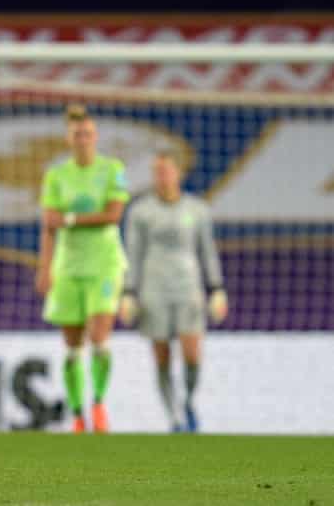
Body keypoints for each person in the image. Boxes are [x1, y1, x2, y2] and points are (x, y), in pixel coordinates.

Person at [36, 105, 129, 434]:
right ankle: (77, 414)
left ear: (96, 136)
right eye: (77, 134)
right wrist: (45, 268)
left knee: (100, 337)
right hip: (68, 267)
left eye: (88, 134)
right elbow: (49, 224)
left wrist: (70, 219)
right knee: (72, 346)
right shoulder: (57, 175)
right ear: (68, 138)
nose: (83, 139)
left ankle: (99, 403)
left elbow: (113, 214)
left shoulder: (112, 169)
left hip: (104, 264)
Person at [119, 151, 228, 433]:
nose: (162, 177)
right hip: (153, 290)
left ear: (178, 173)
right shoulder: (141, 211)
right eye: (157, 172)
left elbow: (207, 251)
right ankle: (175, 417)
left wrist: (216, 288)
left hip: (188, 288)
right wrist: (129, 291)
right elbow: (133, 253)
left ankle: (189, 400)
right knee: (162, 354)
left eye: (166, 171)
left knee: (192, 353)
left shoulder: (197, 210)